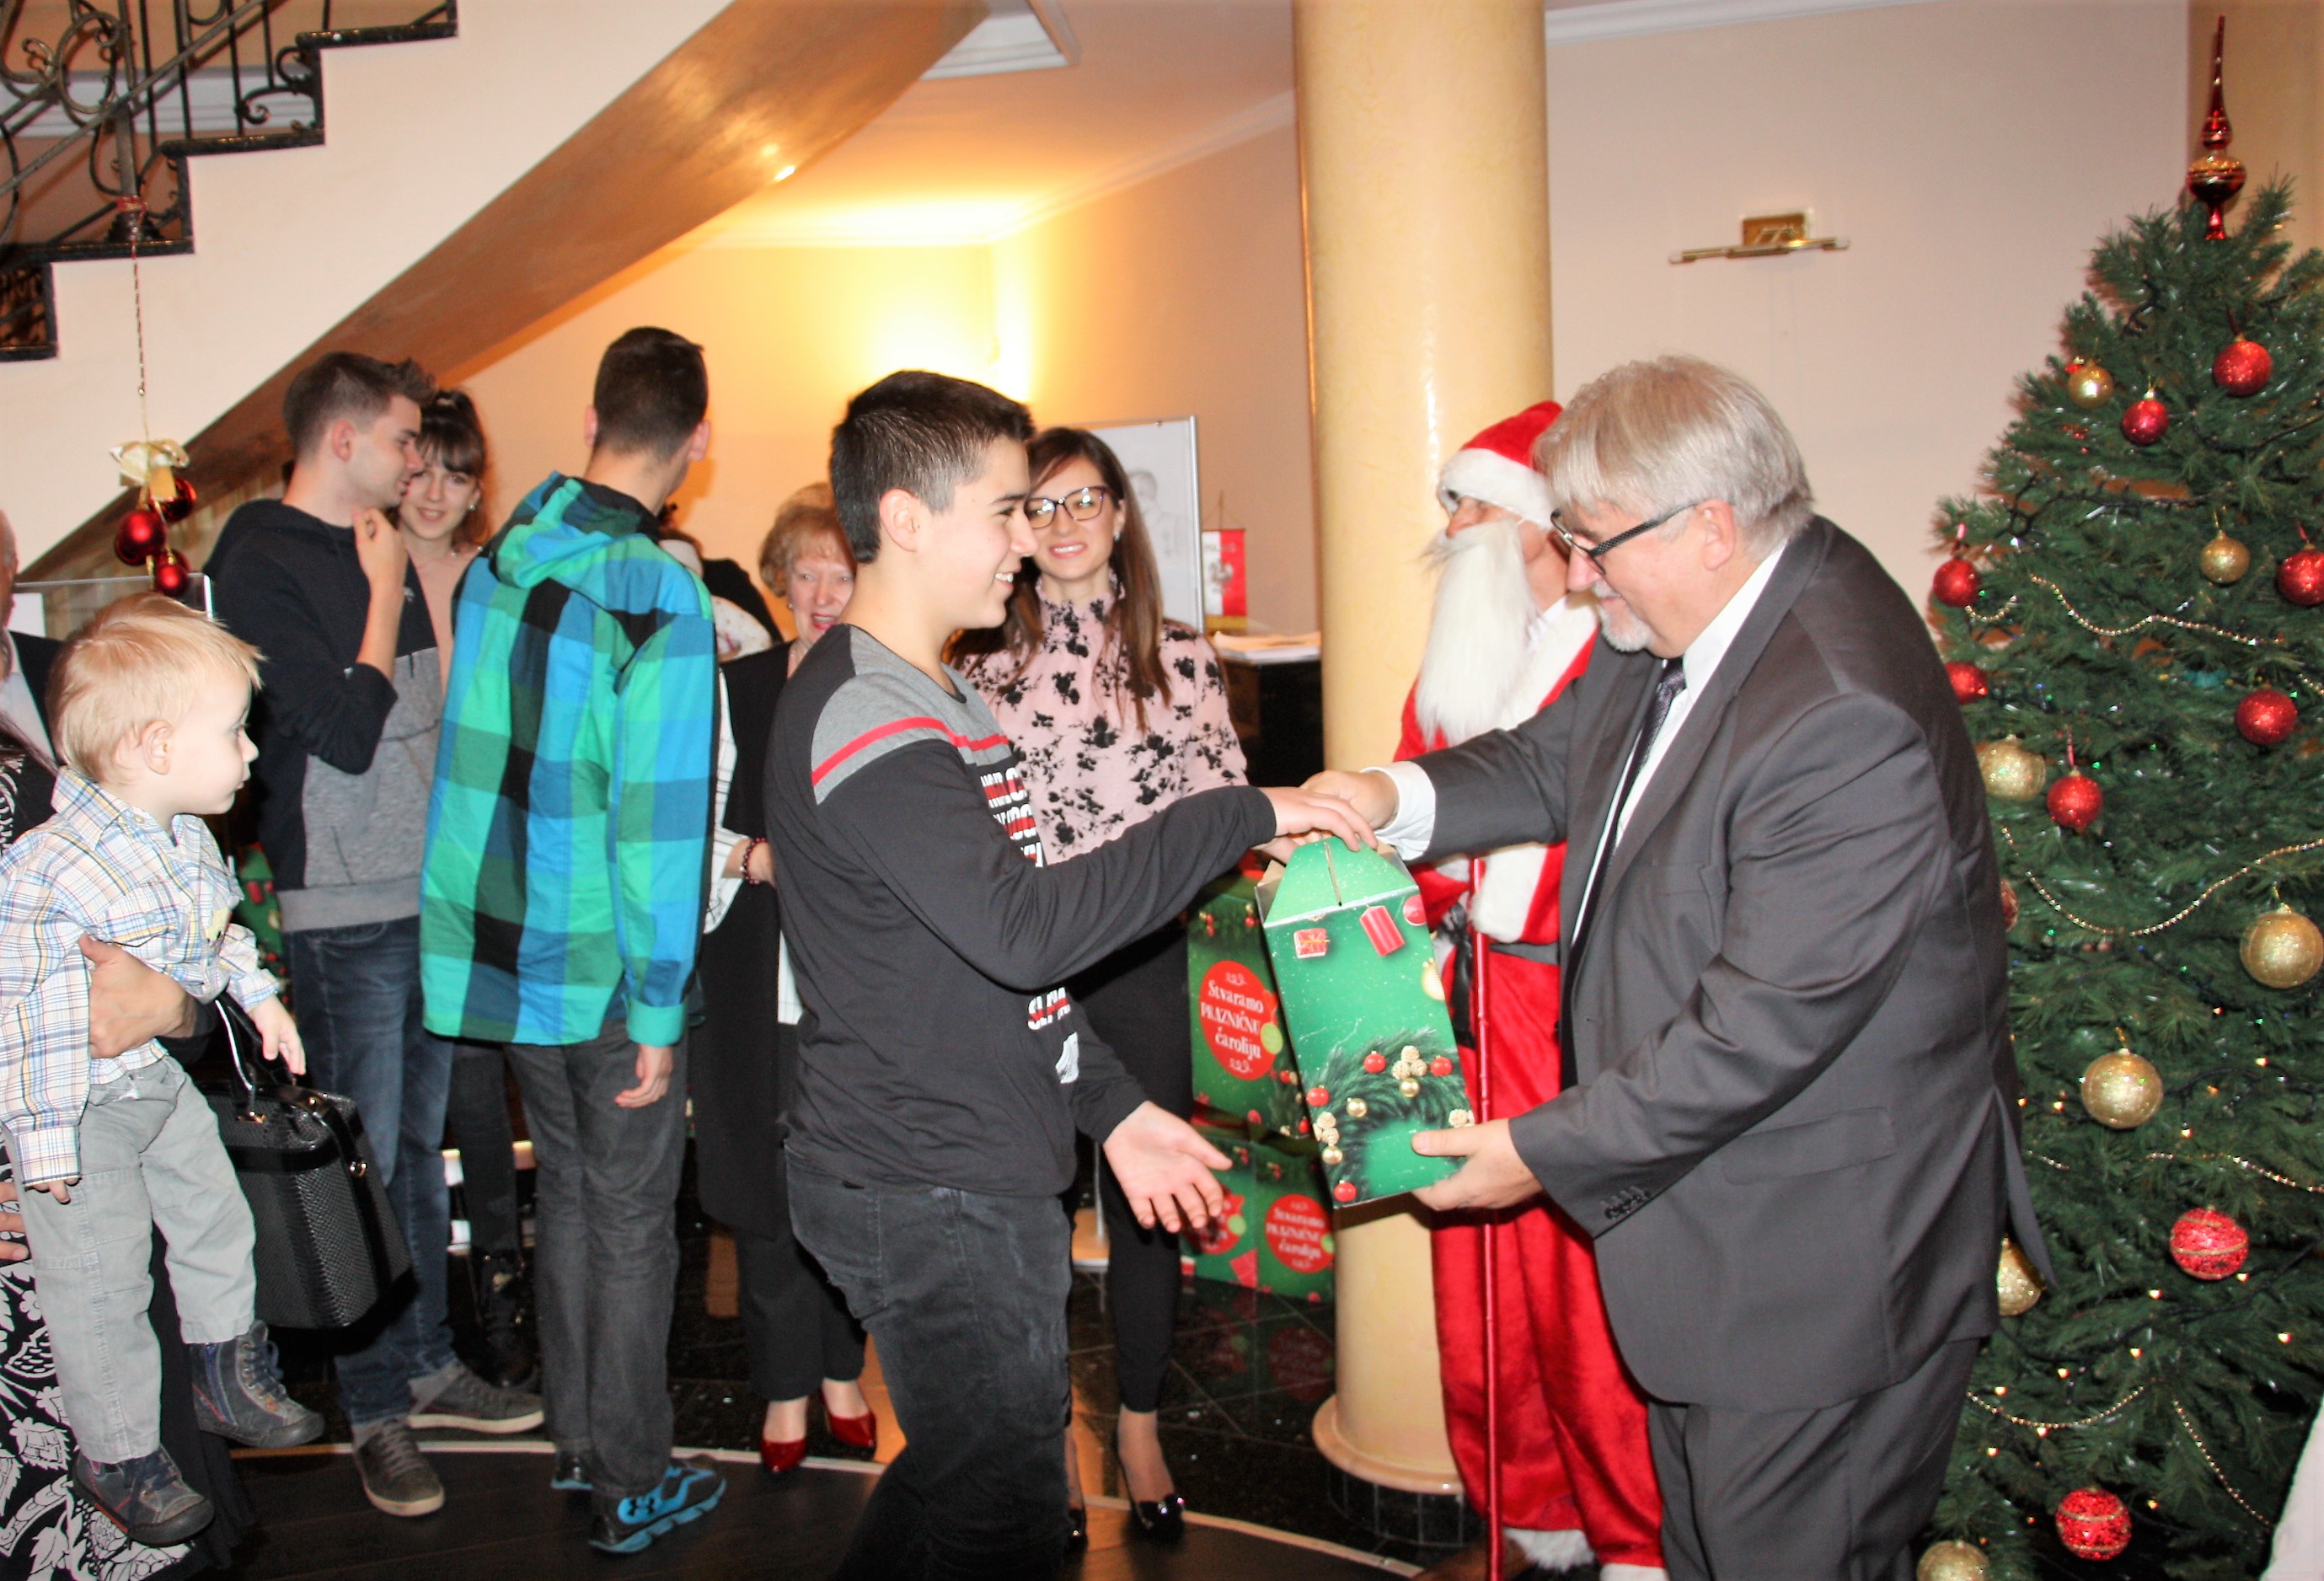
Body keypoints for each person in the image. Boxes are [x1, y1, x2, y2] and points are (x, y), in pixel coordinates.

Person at [1313, 356, 2048, 1579]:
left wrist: (1528, 1151)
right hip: (1719, 1237)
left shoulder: (1838, 714)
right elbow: (1547, 761)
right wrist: (1384, 797)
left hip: (1814, 1265)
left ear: (1709, 525)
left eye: (1593, 543)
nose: (1576, 574)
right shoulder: (1682, 608)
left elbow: (1757, 1030)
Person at [766, 367, 1374, 1579]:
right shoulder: (868, 715)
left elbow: (996, 977)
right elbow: (1027, 933)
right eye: (1004, 510)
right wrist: (1235, 812)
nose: (1026, 539)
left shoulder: (932, 692)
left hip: (955, 1164)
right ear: (906, 517)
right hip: (926, 1183)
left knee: (964, 1480)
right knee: (998, 1511)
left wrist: (1114, 1108)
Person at [208, 353, 541, 1521]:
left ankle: (428, 1362)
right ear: (343, 439)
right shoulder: (259, 556)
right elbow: (345, 734)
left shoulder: (371, 546)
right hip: (344, 909)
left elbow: (425, 721)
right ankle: (375, 1408)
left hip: (422, 891)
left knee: (417, 1155)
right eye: (403, 440)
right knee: (366, 1160)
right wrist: (388, 583)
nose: (415, 461)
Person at [420, 326, 724, 1555]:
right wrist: (659, 1003)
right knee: (633, 1218)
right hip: (603, 963)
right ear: (695, 443)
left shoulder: (495, 562)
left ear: (595, 420)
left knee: (576, 1201)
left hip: (504, 954)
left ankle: (580, 1443)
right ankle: (632, 1478)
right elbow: (658, 824)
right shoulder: (657, 590)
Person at [954, 426, 1245, 1543]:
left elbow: (1222, 808)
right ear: (1018, 528)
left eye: (1085, 500)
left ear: (1120, 515)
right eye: (1041, 505)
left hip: (1135, 962)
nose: (1066, 523)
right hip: (1020, 966)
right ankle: (1048, 1445)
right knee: (1030, 1211)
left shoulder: (1182, 655)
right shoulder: (975, 666)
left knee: (1145, 1209)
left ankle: (1137, 1424)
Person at [1392, 405, 1664, 1581]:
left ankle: (1635, 1533)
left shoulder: (1618, 656)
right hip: (1467, 998)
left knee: (1577, 1287)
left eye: (1473, 506)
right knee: (1480, 1280)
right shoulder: (1464, 655)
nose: (1451, 529)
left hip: (1569, 1010)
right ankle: (1526, 1503)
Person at [0, 595, 324, 1546]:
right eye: (233, 732)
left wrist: (258, 999)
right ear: (154, 745)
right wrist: (44, 1141)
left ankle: (226, 1364)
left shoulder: (182, 839)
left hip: (150, 1079)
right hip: (75, 1106)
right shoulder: (51, 867)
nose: (252, 751)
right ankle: (119, 1454)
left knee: (216, 1215)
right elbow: (29, 1016)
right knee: (99, 1285)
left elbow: (215, 937)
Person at [690, 485, 870, 1481]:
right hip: (760, 976)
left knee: (851, 1179)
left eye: (844, 573)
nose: (825, 592)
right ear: (778, 581)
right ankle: (784, 1386)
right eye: (808, 573)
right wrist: (753, 857)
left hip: (860, 987)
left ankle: (844, 1372)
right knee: (765, 1191)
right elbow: (686, 827)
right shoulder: (736, 687)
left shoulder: (887, 683)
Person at [393, 389, 536, 1393]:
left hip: (488, 861)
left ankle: (501, 1287)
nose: (437, 493)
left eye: (458, 474)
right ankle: (416, 1315)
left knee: (482, 1086)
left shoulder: (496, 576)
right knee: (413, 1100)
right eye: (422, 471)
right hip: (390, 869)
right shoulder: (366, 575)